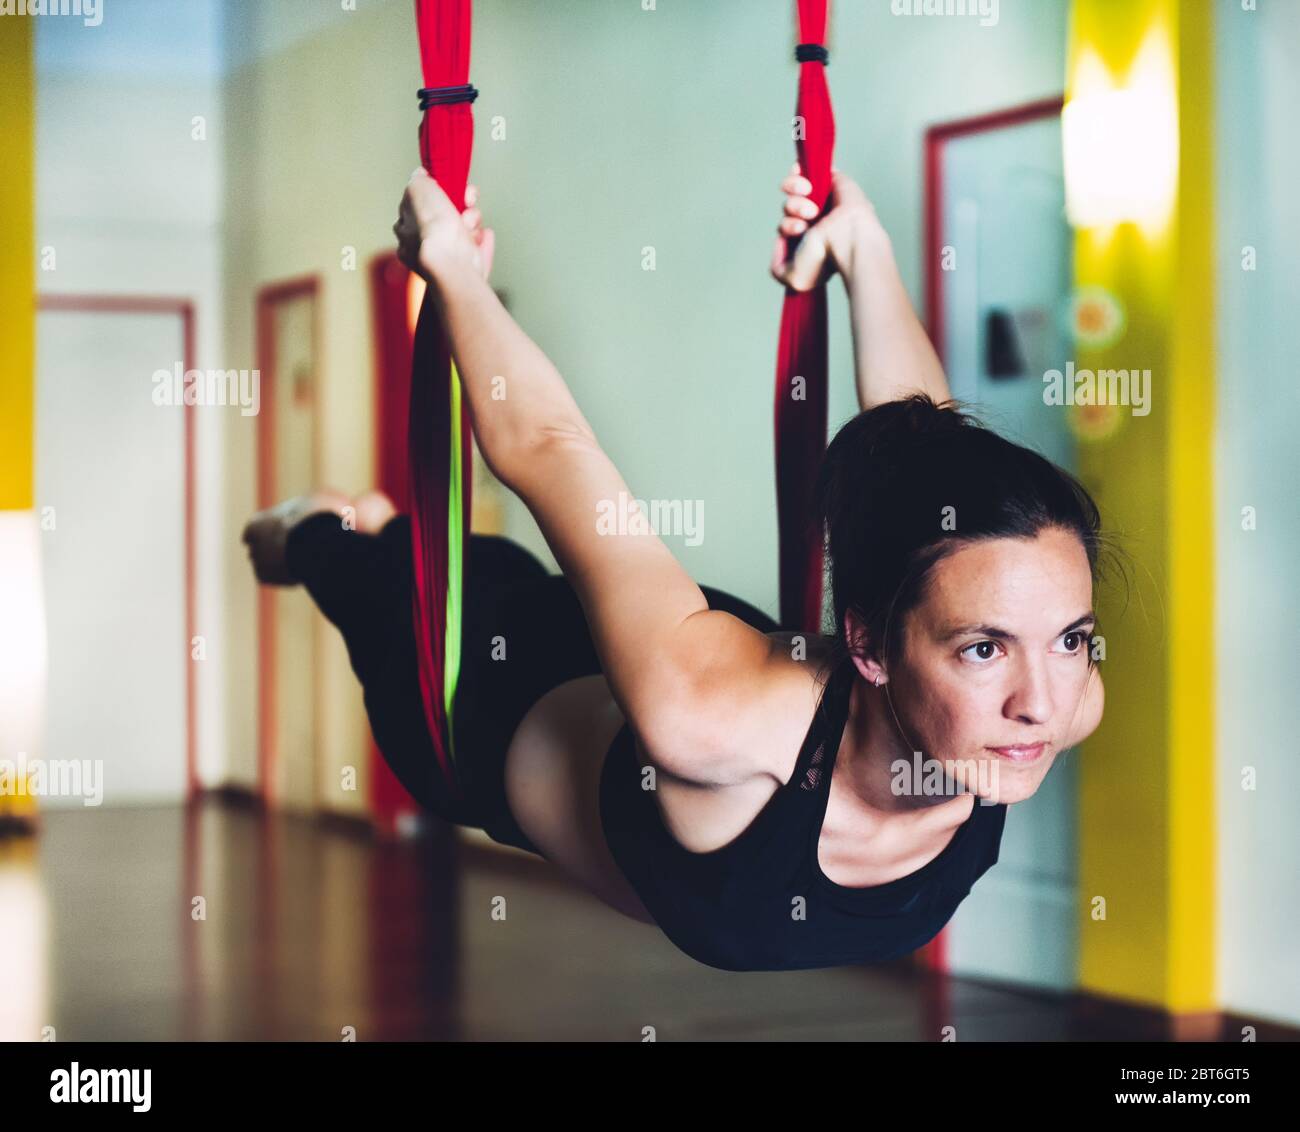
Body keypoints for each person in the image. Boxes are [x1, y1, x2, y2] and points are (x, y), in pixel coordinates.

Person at [242, 164, 1109, 971]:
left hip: (687, 642)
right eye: (984, 650)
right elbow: (550, 450)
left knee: (500, 568)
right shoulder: (706, 718)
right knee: (343, 554)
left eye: (1072, 639)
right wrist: (450, 270)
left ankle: (374, 527)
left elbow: (926, 462)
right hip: (496, 694)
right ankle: (324, 525)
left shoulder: (1051, 707)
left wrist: (864, 248)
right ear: (871, 644)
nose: (1041, 700)